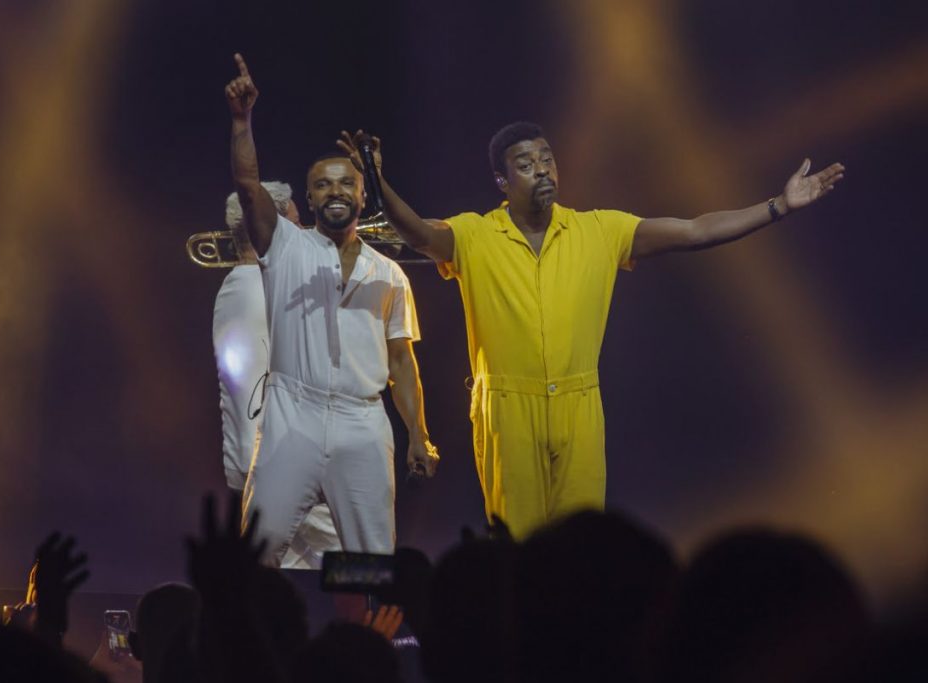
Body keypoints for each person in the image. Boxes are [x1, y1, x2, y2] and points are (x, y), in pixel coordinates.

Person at [337, 121, 844, 539]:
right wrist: (380, 186)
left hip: (580, 406)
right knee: (518, 549)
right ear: (501, 180)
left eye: (547, 159)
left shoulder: (600, 230)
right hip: (508, 411)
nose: (542, 170)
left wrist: (777, 206)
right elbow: (418, 234)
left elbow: (695, 231)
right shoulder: (473, 234)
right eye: (526, 164)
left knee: (579, 549)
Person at [224, 53, 439, 565]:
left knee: (371, 562)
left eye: (347, 183)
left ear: (363, 195)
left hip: (363, 422)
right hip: (291, 414)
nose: (335, 191)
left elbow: (402, 363)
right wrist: (242, 121)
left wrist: (418, 436)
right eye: (323, 184)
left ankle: (369, 645)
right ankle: (244, 644)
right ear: (309, 196)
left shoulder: (389, 273)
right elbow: (248, 188)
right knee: (255, 555)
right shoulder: (287, 247)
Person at [213, 183, 342, 570]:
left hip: (259, 469)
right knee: (363, 579)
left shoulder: (234, 288)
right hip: (294, 469)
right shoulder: (273, 292)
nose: (306, 235)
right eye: (296, 225)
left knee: (283, 606)